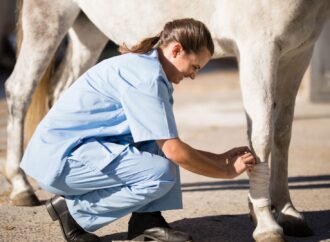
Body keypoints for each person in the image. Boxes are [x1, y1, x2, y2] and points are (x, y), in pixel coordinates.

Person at [20, 18, 256, 242]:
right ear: (176, 50)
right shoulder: (147, 78)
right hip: (59, 162)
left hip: (73, 152)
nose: (193, 75)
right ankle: (72, 211)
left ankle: (147, 221)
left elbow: (168, 144)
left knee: (158, 144)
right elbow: (176, 152)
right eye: (194, 66)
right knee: (159, 174)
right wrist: (225, 171)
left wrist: (220, 158)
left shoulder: (149, 68)